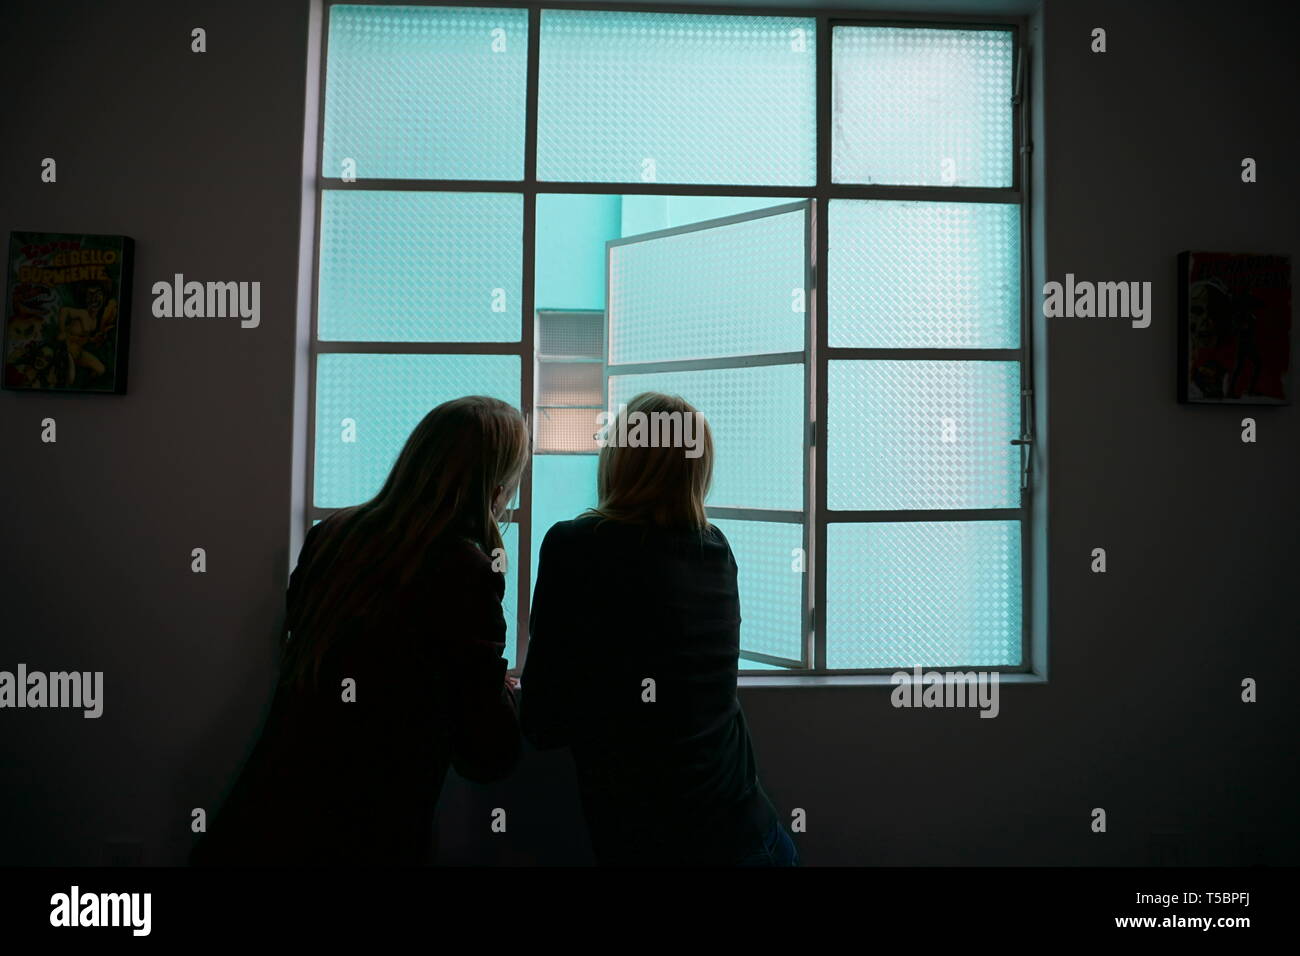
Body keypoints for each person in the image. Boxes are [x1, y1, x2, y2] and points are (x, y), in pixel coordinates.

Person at [191, 396, 529, 865]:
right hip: (365, 828)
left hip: (267, 811)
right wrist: (503, 691)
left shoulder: (334, 533)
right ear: (496, 486)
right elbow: (487, 753)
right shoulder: (463, 568)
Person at [521, 391, 796, 866]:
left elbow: (543, 723)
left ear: (620, 460)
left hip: (651, 842)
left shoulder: (574, 546)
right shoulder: (714, 550)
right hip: (753, 832)